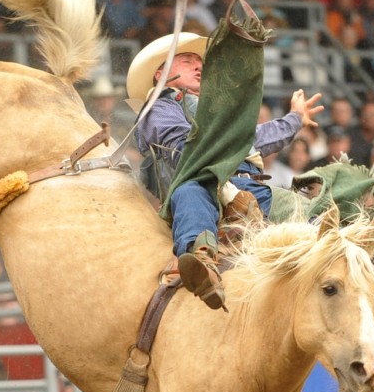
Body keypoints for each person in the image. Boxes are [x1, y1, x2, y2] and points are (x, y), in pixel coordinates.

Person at [129, 30, 323, 309]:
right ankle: (201, 261)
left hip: (251, 188)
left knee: (312, 214)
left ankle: (370, 310)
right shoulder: (160, 106)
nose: (199, 66)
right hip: (202, 184)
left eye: (200, 62)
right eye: (186, 61)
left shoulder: (212, 113)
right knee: (188, 191)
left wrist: (294, 120)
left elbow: (250, 139)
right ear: (160, 76)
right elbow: (183, 149)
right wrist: (227, 141)